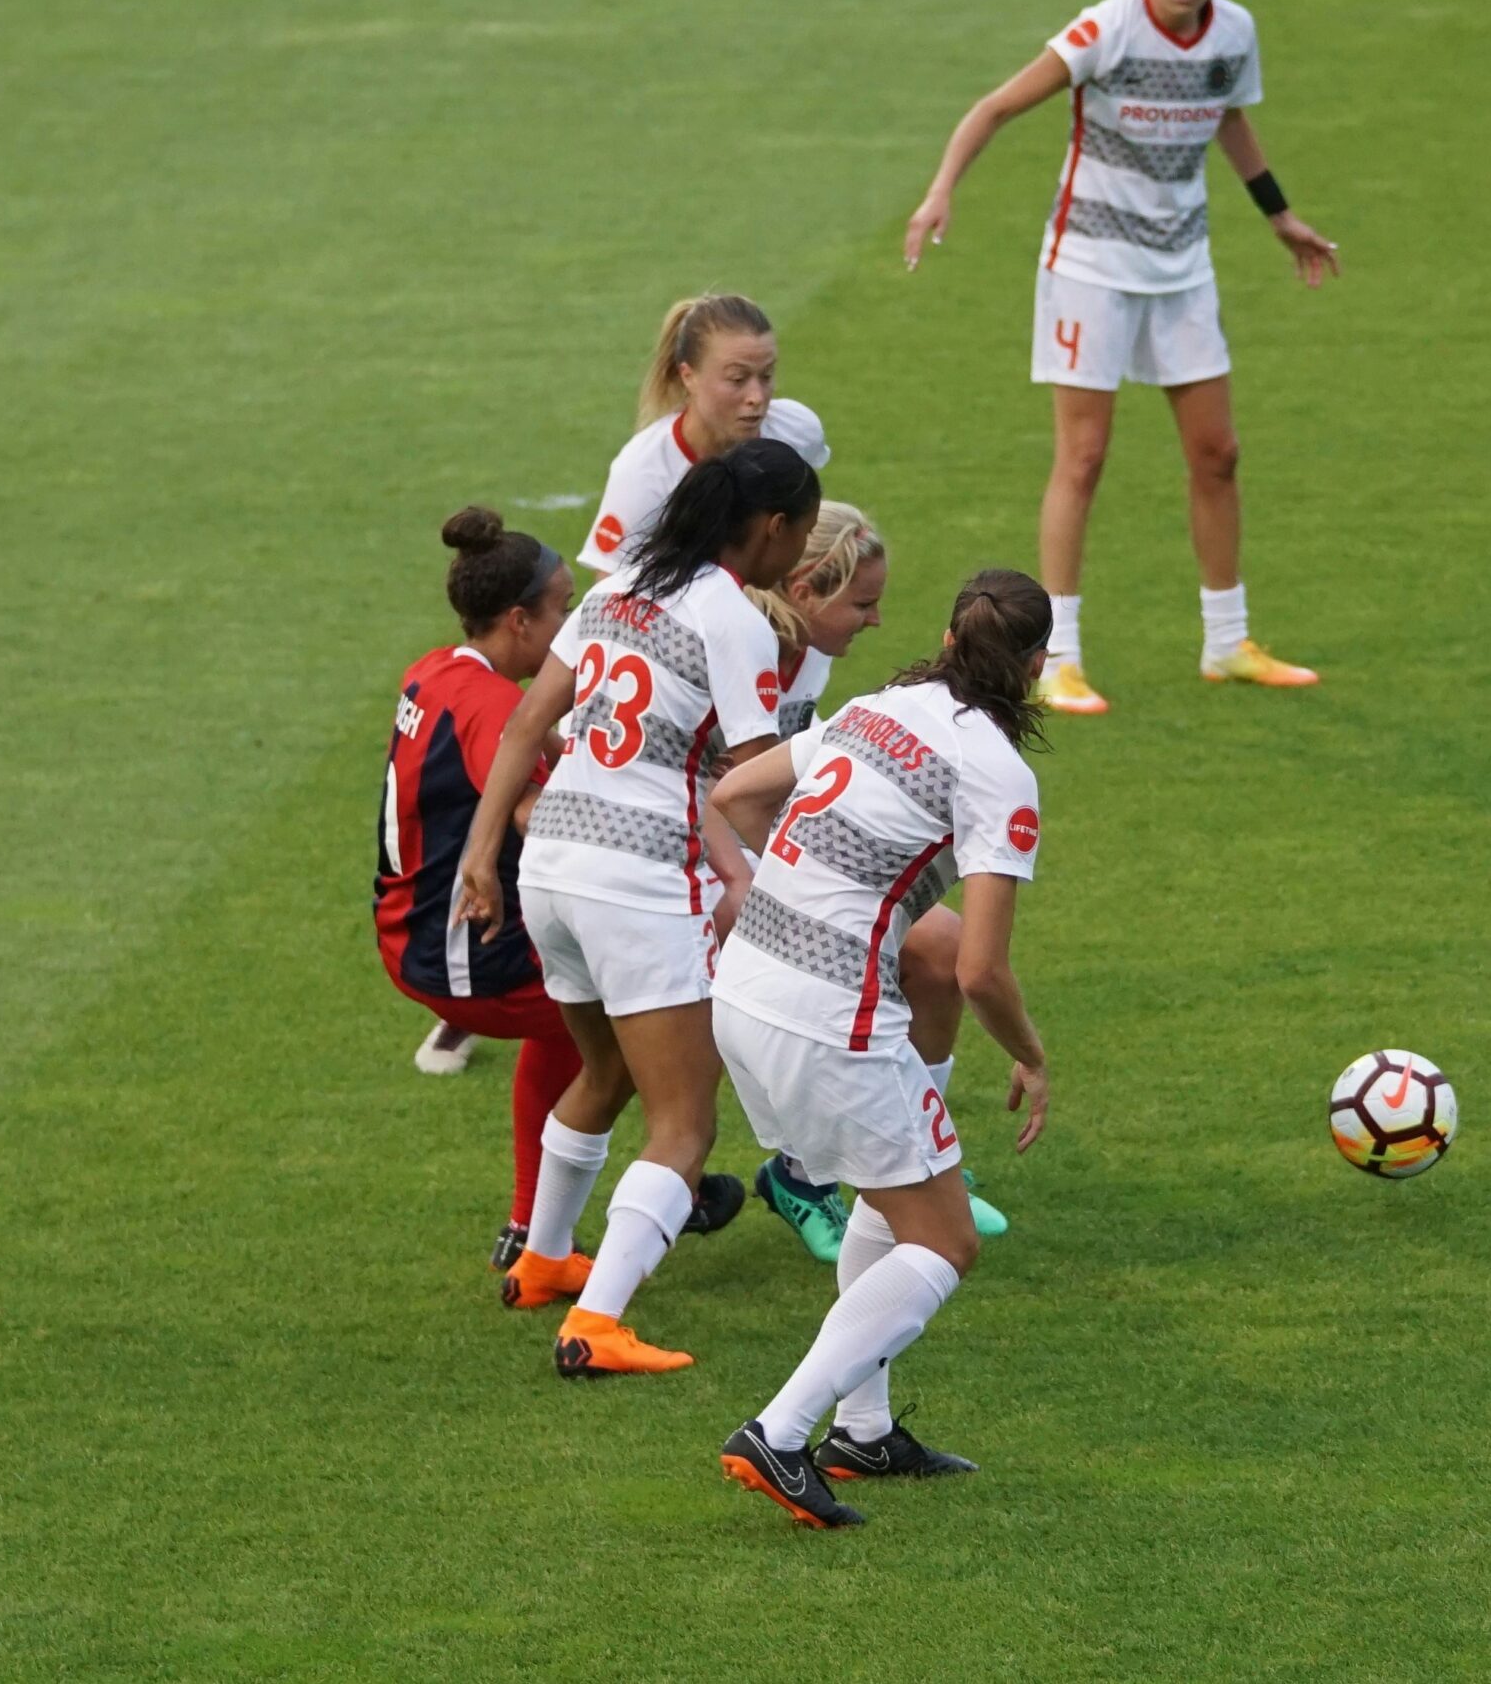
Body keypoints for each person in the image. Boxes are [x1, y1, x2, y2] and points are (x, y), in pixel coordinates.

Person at [903, 0, 1340, 716]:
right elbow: (997, 105)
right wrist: (940, 192)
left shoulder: (1234, 33)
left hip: (1181, 267)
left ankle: (1226, 643)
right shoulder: (1108, 27)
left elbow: (1228, 120)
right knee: (1086, 456)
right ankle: (1057, 656)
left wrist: (1278, 214)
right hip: (1091, 268)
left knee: (1218, 453)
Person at [457, 440, 821, 1375]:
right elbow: (749, 774)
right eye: (803, 535)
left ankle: (543, 1261)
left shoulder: (614, 586)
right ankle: (597, 1322)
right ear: (771, 529)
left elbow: (530, 723)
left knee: (605, 1069)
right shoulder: (731, 620)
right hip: (641, 884)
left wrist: (481, 857)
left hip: (553, 873)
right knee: (686, 1124)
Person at [709, 570, 1056, 1528]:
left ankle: (863, 1431)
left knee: (891, 1190)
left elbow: (737, 791)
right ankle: (779, 1434)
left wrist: (811, 883)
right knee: (944, 1240)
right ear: (1032, 667)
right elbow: (981, 970)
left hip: (742, 987)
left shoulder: (881, 705)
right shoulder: (997, 770)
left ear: (948, 639)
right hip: (829, 1019)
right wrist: (1031, 1056)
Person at [742, 505, 1012, 1261]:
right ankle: (800, 1177)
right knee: (669, 1089)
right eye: (861, 603)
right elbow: (719, 790)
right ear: (803, 588)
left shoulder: (807, 653)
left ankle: (911, 1162)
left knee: (940, 950)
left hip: (764, 848)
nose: (876, 620)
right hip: (693, 858)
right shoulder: (741, 645)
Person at [374, 508, 584, 1270]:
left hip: (413, 931)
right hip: (465, 956)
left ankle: (532, 1225)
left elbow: (524, 739)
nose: (570, 625)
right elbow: (543, 821)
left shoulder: (436, 670)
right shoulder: (496, 710)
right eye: (563, 608)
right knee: (656, 1017)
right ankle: (673, 1193)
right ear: (520, 619)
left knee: (576, 1027)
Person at [581, 292, 831, 578]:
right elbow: (609, 592)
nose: (757, 397)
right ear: (688, 376)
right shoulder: (643, 472)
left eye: (767, 375)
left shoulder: (797, 431)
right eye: (737, 379)